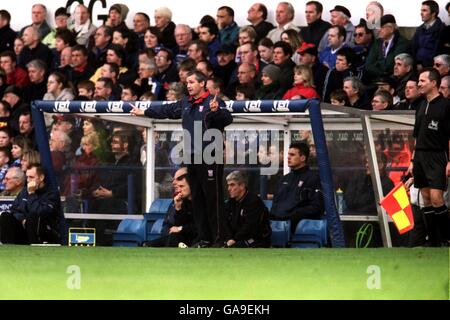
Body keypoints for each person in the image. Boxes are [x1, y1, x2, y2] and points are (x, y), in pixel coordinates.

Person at [131, 71, 233, 247]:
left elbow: (227, 119)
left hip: (210, 156)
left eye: (192, 82)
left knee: (213, 200)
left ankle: (220, 238)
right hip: (191, 157)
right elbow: (167, 110)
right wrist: (146, 111)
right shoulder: (186, 102)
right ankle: (204, 238)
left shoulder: (214, 102)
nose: (188, 85)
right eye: (187, 82)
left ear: (203, 84)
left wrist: (216, 112)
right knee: (198, 200)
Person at [408, 68, 450, 247]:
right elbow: (417, 136)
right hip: (420, 157)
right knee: (425, 197)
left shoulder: (446, 105)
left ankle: (446, 238)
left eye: (423, 81)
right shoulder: (420, 105)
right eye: (419, 81)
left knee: (436, 198)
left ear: (434, 83)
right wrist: (412, 160)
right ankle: (433, 240)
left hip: (437, 155)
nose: (419, 84)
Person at [0, 163, 63, 244]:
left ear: (41, 178)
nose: (28, 180)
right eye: (27, 177)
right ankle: (8, 248)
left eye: (31, 177)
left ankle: (34, 248)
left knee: (33, 216)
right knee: (5, 216)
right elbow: (14, 210)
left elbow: (41, 212)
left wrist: (32, 194)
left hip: (44, 232)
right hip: (24, 228)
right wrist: (23, 219)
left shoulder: (51, 194)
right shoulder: (24, 191)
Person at [270, 142, 324, 231]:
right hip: (275, 226)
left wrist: (294, 217)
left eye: (292, 155)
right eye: (288, 154)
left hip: (299, 228)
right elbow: (276, 203)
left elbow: (316, 207)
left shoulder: (313, 178)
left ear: (302, 158)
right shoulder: (284, 179)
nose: (288, 157)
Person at [144, 167, 197, 247]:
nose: (174, 183)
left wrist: (180, 228)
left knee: (173, 239)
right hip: (174, 237)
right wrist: (178, 208)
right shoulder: (177, 201)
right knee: (147, 245)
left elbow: (197, 227)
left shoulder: (200, 203)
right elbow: (168, 225)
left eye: (181, 186)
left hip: (190, 240)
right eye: (174, 179)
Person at [221, 171, 271, 248]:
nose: (229, 189)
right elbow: (225, 223)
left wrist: (234, 239)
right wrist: (229, 238)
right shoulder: (230, 202)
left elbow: (250, 226)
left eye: (232, 185)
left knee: (235, 247)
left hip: (257, 239)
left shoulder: (254, 201)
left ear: (242, 186)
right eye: (228, 185)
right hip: (236, 238)